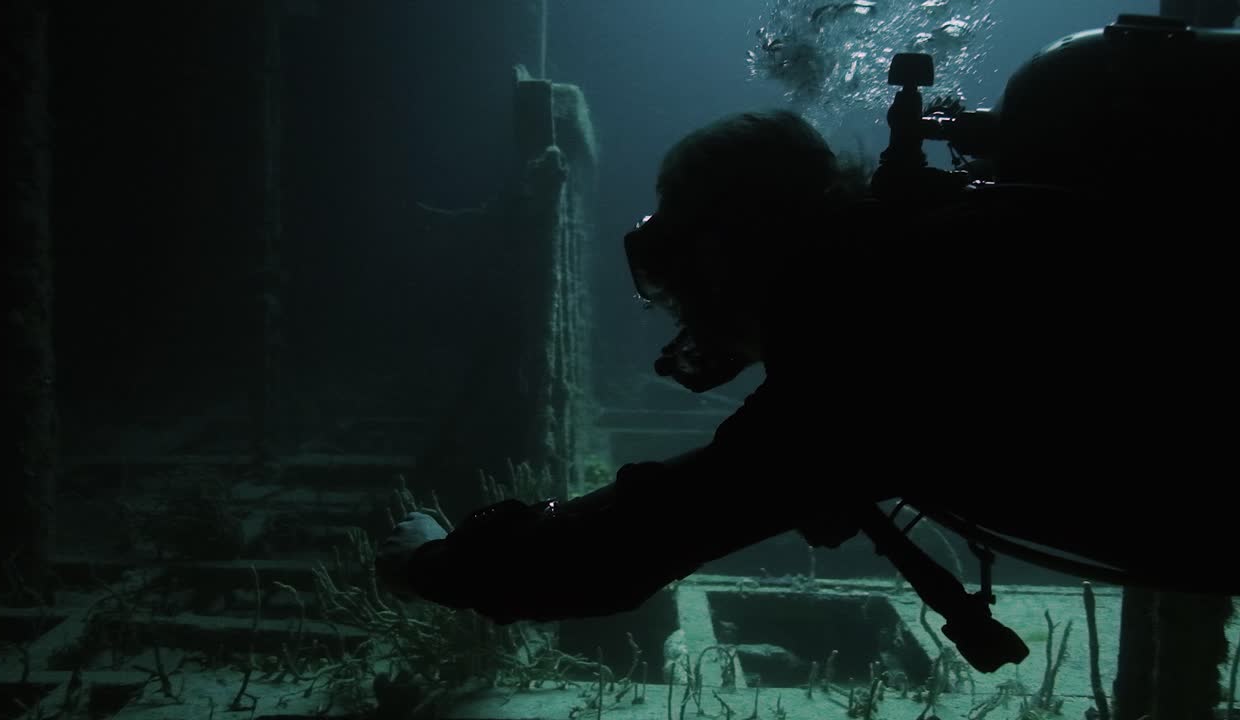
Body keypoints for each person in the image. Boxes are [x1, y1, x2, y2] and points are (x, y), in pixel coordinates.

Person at [377, 109, 1237, 673]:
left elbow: (621, 547)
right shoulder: (914, 267)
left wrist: (430, 561)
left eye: (681, 262)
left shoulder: (862, 322)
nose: (686, 301)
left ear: (727, 246)